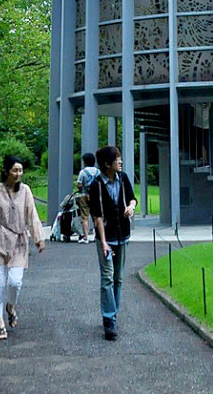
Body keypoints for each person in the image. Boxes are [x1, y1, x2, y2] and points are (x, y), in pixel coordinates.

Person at [0, 155, 45, 340]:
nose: (18, 174)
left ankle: (11, 306)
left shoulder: (26, 191)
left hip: (19, 242)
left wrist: (38, 238)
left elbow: (33, 215)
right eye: (15, 170)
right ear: (7, 171)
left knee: (15, 282)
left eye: (20, 170)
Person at [88, 145, 136, 340]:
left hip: (122, 235)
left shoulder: (123, 179)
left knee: (118, 278)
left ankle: (113, 312)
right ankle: (109, 319)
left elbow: (132, 199)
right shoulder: (96, 185)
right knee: (107, 277)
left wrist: (131, 207)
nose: (121, 162)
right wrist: (104, 243)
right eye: (117, 159)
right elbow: (97, 217)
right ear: (107, 164)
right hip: (106, 238)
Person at [76, 151, 100, 242]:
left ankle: (85, 237)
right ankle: (96, 236)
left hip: (84, 195)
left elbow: (79, 184)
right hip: (95, 196)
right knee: (96, 216)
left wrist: (80, 188)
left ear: (85, 162)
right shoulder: (98, 171)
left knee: (85, 217)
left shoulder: (83, 172)